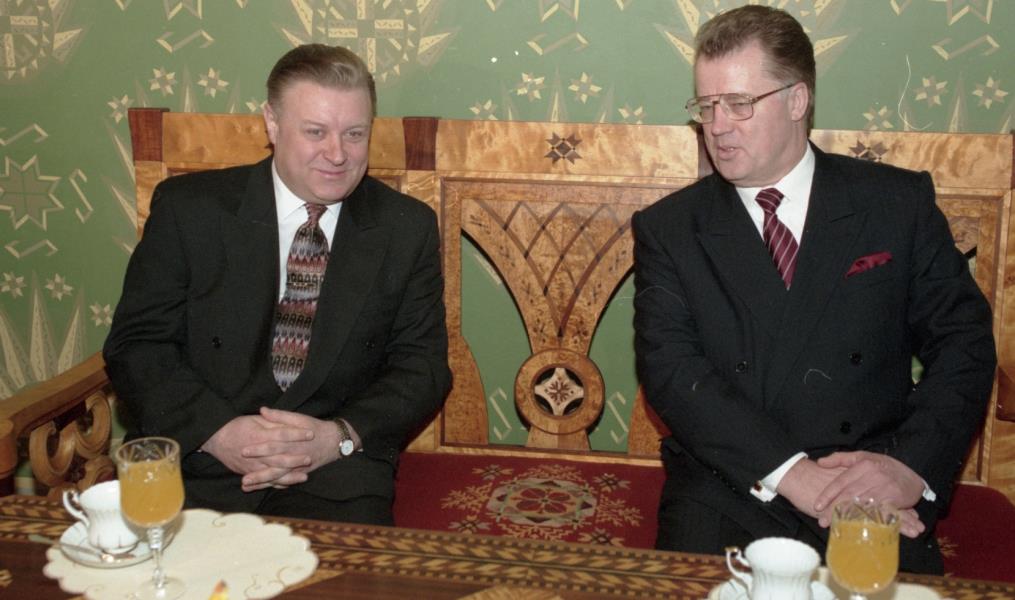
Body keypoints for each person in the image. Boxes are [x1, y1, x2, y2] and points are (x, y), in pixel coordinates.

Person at [632, 5, 995, 573]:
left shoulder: (894, 205)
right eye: (706, 106)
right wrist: (792, 474)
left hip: (869, 482)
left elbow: (964, 344)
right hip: (731, 481)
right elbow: (673, 373)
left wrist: (909, 467)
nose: (717, 125)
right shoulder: (671, 229)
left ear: (797, 100)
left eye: (739, 103)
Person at [104, 44, 452, 525]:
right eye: (315, 132)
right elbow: (137, 346)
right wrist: (219, 433)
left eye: (354, 134)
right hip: (196, 463)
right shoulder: (191, 211)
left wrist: (338, 437)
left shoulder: (404, 228)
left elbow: (422, 367)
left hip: (334, 475)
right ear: (271, 122)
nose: (337, 154)